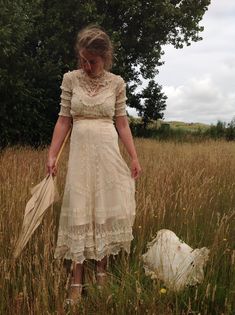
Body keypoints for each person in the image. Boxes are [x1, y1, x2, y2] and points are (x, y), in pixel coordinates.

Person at [46, 25, 141, 305]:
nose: (87, 66)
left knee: (104, 208)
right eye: (83, 60)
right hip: (79, 155)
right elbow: (64, 119)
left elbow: (122, 123)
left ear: (106, 57)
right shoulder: (70, 80)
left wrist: (134, 157)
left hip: (108, 152)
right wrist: (51, 154)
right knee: (79, 207)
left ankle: (102, 275)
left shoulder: (117, 83)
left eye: (93, 61)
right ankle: (77, 281)